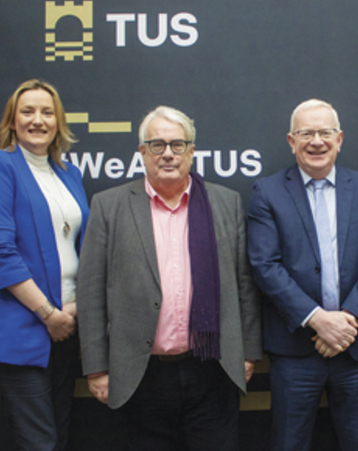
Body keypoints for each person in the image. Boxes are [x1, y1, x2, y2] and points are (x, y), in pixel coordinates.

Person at [77, 106, 262, 451]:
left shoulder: (226, 203)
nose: (167, 154)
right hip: (139, 372)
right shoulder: (108, 206)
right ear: (142, 152)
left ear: (191, 151)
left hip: (213, 367)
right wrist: (97, 368)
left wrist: (248, 353)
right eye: (157, 144)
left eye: (177, 144)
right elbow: (90, 294)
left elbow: (244, 286)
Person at [247, 99, 358, 451]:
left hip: (354, 346)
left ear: (339, 139)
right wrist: (317, 320)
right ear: (291, 141)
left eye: (325, 132)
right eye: (306, 133)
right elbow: (265, 265)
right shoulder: (267, 192)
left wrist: (346, 322)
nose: (316, 141)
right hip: (295, 350)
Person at [0, 79, 89, 450]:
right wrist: (48, 314)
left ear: (58, 122)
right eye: (27, 111)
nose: (38, 120)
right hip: (20, 331)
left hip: (67, 327)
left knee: (60, 437)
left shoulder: (69, 174)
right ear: (12, 120)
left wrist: (72, 310)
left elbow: (81, 247)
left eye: (47, 112)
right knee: (40, 443)